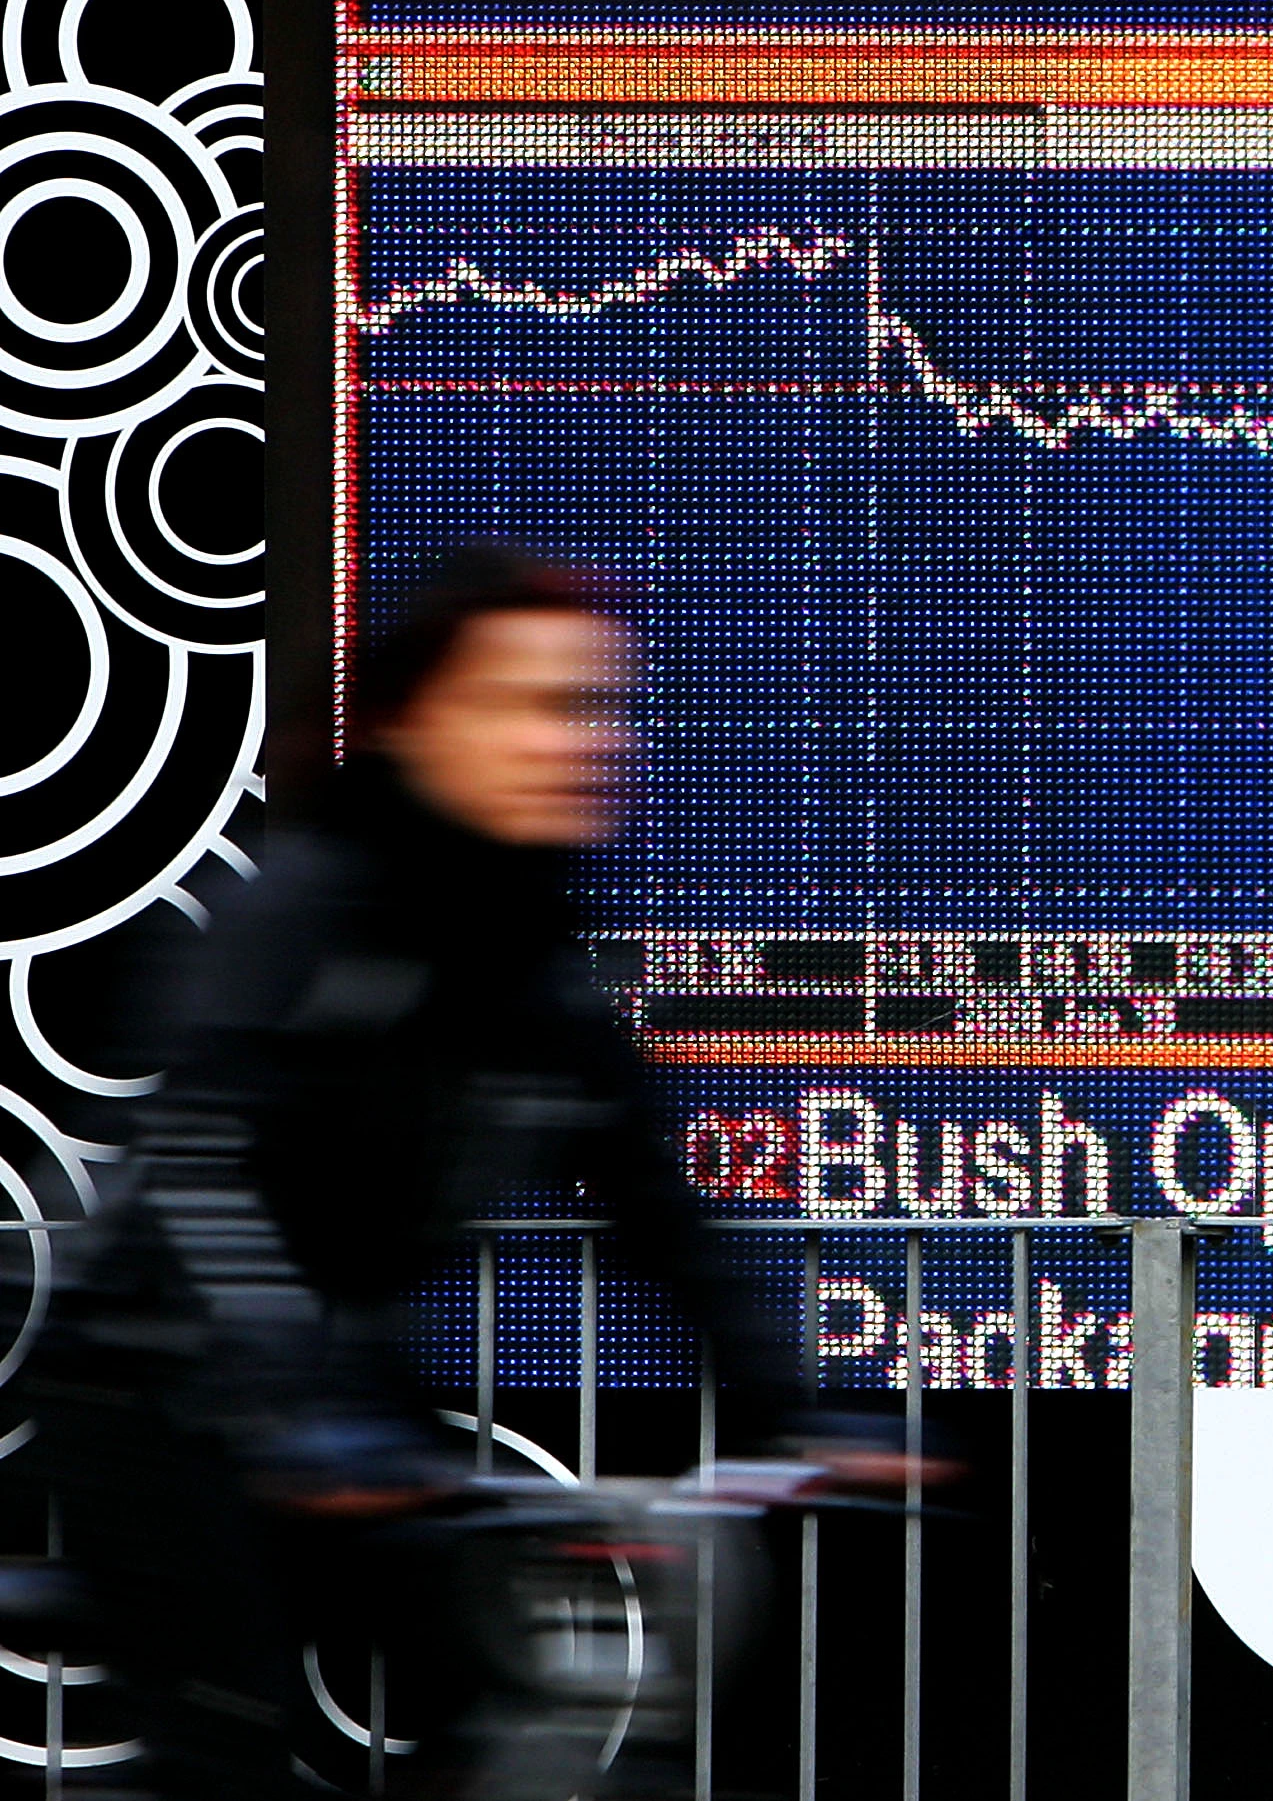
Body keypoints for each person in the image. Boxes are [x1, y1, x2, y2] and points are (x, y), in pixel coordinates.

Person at [29, 548, 842, 1798]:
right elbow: (204, 1169)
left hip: (348, 1386)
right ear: (417, 722)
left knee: (509, 1712)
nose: (585, 741)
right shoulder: (311, 906)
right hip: (160, 1384)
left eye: (603, 707)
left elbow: (656, 1206)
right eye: (539, 705)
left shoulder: (533, 957)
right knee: (225, 1746)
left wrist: (795, 1402)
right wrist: (296, 1407)